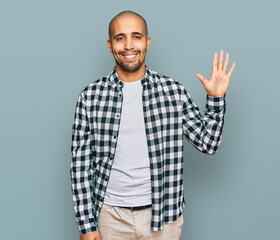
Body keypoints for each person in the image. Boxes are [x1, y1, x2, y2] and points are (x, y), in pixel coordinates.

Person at [70, 10, 236, 240]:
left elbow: (208, 144)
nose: (129, 45)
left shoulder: (173, 92)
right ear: (110, 45)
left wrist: (216, 99)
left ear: (147, 42)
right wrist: (87, 225)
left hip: (163, 217)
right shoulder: (90, 96)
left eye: (136, 36)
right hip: (109, 217)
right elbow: (80, 166)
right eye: (120, 38)